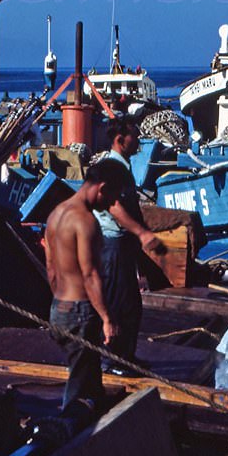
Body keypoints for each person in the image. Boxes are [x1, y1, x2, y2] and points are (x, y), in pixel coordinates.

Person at [43, 158, 129, 424]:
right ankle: (64, 438)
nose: (113, 203)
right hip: (80, 312)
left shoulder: (56, 213)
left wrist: (61, 303)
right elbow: (90, 274)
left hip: (59, 307)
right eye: (113, 195)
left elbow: (51, 268)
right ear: (102, 187)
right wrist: (107, 319)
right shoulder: (86, 221)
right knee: (78, 384)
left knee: (89, 377)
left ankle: (94, 423)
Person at [93, 118, 164, 370]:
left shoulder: (121, 167)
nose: (138, 140)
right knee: (116, 305)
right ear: (120, 140)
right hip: (112, 246)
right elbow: (114, 207)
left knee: (130, 305)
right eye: (134, 135)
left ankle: (125, 358)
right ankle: (109, 361)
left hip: (123, 246)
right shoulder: (112, 167)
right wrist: (141, 233)